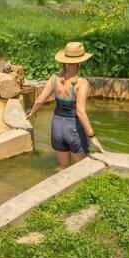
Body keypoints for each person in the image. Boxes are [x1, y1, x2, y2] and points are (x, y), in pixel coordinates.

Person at [27, 41, 105, 169]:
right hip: (74, 129)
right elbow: (80, 112)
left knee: (62, 166)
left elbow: (40, 100)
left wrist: (32, 112)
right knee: (81, 168)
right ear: (80, 61)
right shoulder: (82, 83)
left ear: (65, 59)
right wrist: (92, 136)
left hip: (57, 127)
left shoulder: (54, 78)